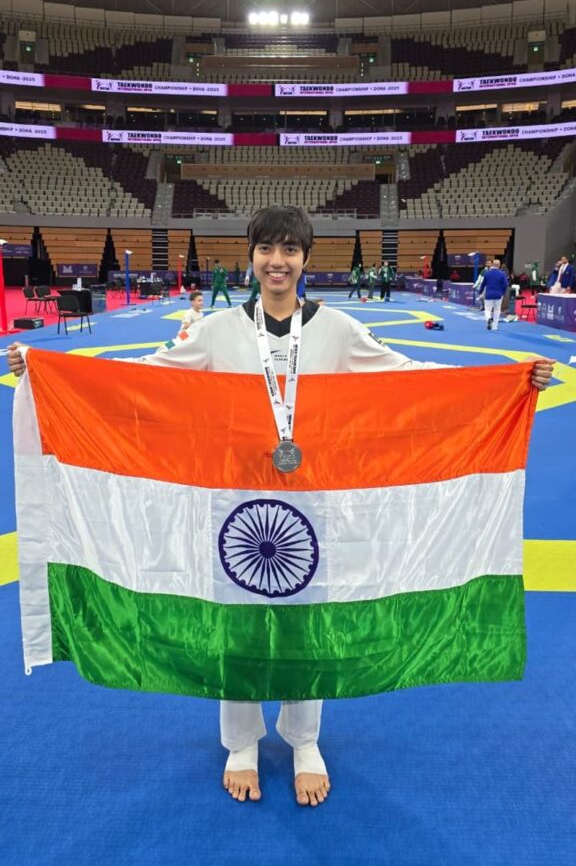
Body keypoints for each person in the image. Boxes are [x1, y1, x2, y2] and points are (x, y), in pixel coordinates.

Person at [7, 206, 555, 809]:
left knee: (306, 622)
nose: (277, 261)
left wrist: (508, 381)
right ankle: (241, 742)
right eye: (267, 248)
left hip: (314, 502)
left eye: (290, 249)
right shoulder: (214, 331)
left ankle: (305, 740)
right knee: (235, 621)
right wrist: (52, 371)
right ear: (250, 257)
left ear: (305, 258)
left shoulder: (337, 329)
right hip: (231, 501)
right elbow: (143, 378)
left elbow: (409, 379)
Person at [478, 258, 508, 331]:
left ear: (492, 265)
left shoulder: (487, 273)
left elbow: (483, 284)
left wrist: (480, 292)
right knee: (497, 310)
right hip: (498, 295)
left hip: (489, 294)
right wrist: (503, 292)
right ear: (499, 265)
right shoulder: (502, 274)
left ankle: (488, 319)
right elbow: (505, 284)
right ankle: (495, 326)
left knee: (487, 309)